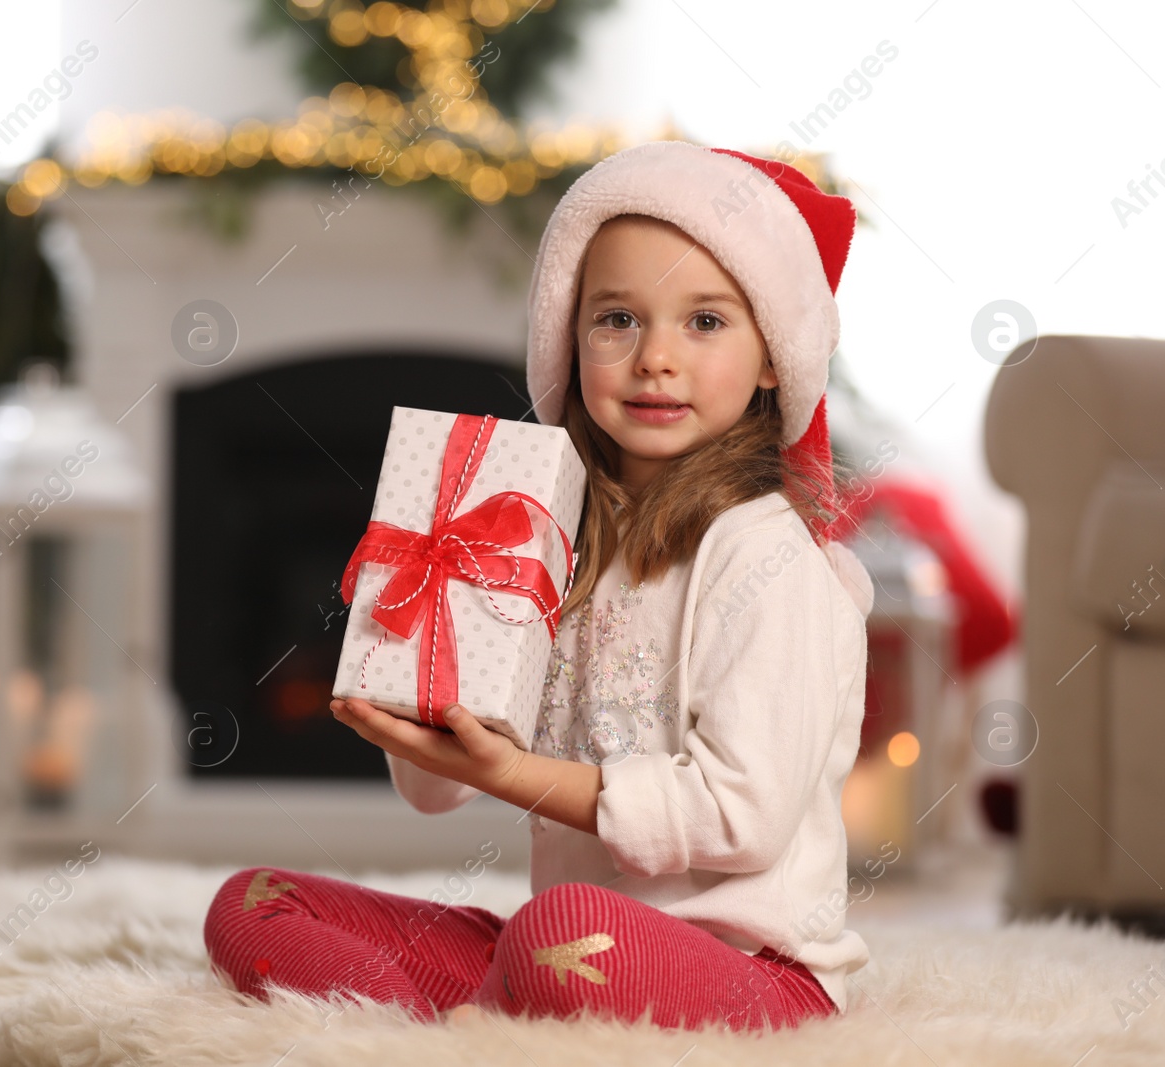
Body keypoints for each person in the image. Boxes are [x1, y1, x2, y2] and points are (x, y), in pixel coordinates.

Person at [203, 140, 875, 1033]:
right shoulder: (539, 535)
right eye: (617, 320)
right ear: (572, 334)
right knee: (254, 902)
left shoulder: (770, 557)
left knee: (555, 930)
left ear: (770, 358)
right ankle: (456, 1026)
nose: (655, 359)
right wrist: (411, 680)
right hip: (568, 954)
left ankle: (486, 1010)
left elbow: (741, 817)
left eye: (705, 321)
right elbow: (435, 792)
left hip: (749, 971)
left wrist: (513, 774)